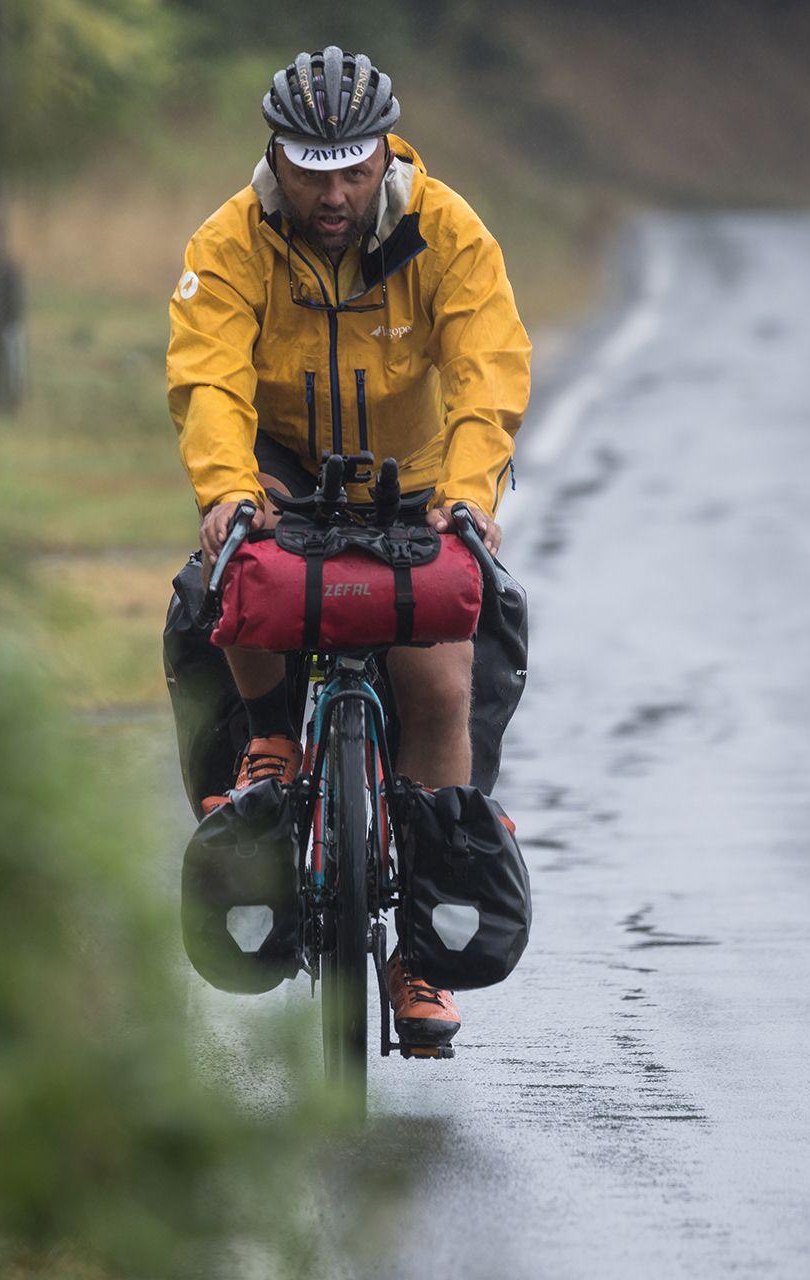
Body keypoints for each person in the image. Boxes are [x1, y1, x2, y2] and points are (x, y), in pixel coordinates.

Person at [166, 46, 530, 1049]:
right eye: (311, 167)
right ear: (274, 156)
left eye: (354, 168)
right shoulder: (231, 239)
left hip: (413, 477)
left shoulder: (447, 231)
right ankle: (271, 734)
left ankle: (419, 952)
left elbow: (486, 370)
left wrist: (467, 497)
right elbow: (208, 380)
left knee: (445, 677)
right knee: (233, 573)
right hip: (283, 464)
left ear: (385, 159)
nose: (333, 192)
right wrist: (230, 492)